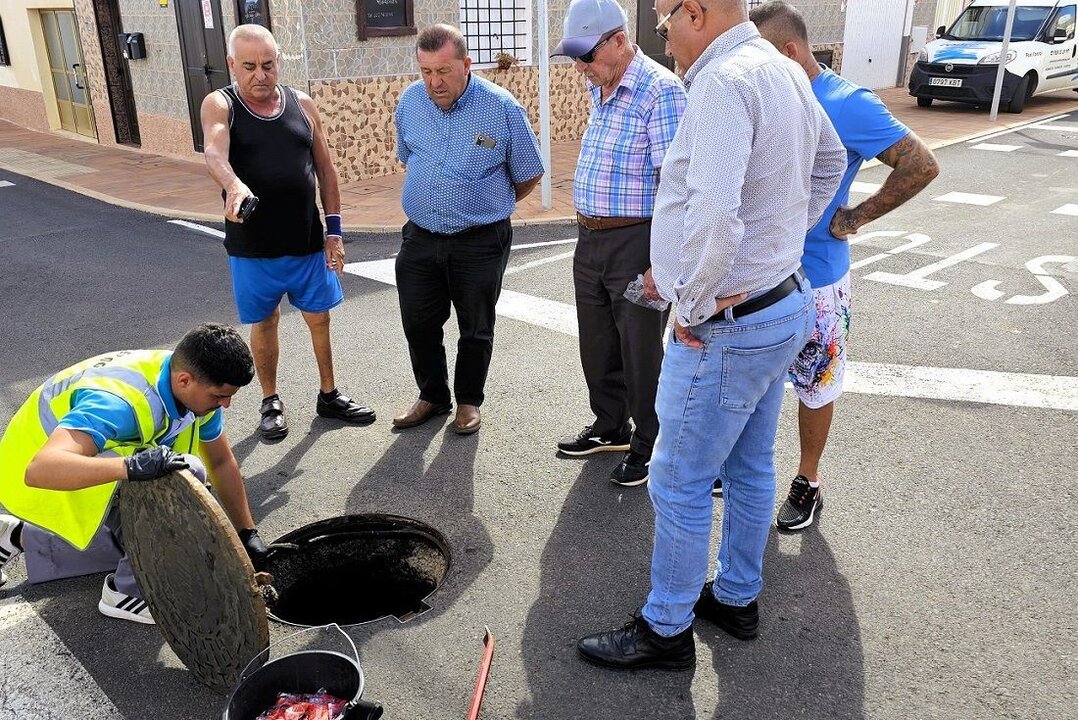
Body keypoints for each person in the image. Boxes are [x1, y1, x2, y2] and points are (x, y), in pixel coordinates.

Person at [577, 0, 845, 669]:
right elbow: (830, 159)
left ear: (693, 10)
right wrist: (781, 242)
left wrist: (691, 307)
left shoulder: (725, 82)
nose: (663, 36)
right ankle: (735, 596)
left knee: (677, 479)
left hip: (732, 321)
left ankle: (665, 628)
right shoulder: (780, 66)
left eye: (664, 22)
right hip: (780, 302)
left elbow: (718, 219)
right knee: (749, 465)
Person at [749, 1, 939, 529]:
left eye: (762, 55)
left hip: (818, 278)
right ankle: (742, 470)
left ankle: (808, 481)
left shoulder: (845, 102)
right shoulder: (765, 94)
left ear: (790, 51)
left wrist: (854, 217)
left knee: (816, 383)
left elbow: (921, 163)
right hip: (760, 272)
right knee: (753, 380)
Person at [0, 323, 269, 624]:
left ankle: (16, 536)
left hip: (86, 462)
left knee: (147, 536)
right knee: (179, 509)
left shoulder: (192, 383)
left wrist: (247, 534)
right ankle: (125, 594)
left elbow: (220, 461)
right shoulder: (121, 404)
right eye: (220, 396)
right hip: (37, 470)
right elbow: (41, 469)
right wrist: (132, 468)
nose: (226, 404)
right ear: (184, 380)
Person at [201, 24, 375, 442]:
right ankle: (270, 400)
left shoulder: (302, 104)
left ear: (279, 61)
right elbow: (214, 149)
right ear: (231, 65)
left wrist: (334, 231)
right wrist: (234, 184)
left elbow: (327, 171)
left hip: (306, 242)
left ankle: (329, 395)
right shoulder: (220, 104)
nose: (260, 74)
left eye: (268, 64)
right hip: (253, 249)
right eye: (249, 66)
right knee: (264, 322)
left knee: (320, 318)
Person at [551, 0, 687, 487]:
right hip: (590, 238)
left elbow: (676, 187)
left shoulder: (660, 91)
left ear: (619, 41)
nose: (580, 67)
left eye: (587, 55)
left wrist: (662, 262)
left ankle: (650, 443)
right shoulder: (602, 83)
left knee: (641, 350)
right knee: (598, 342)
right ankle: (611, 424)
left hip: (636, 240)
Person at [392, 24, 545, 435]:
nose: (433, 82)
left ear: (466, 64)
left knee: (475, 327)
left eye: (443, 71)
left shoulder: (502, 107)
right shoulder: (409, 103)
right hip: (420, 237)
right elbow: (408, 159)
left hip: (480, 240)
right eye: (425, 72)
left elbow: (528, 174)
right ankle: (432, 395)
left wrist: (489, 202)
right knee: (418, 322)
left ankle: (468, 401)